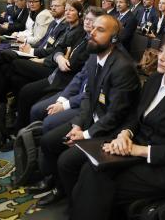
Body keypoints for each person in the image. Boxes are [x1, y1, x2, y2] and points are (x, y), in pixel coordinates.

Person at [65, 32, 165, 219]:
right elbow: (136, 115)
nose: (162, 58)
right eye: (161, 51)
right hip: (135, 149)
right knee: (90, 170)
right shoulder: (155, 79)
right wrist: (125, 134)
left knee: (99, 183)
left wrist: (139, 150)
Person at [27, 14, 140, 207]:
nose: (91, 33)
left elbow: (116, 115)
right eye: (92, 28)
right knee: (48, 141)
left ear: (113, 39)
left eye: (100, 30)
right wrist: (78, 124)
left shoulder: (123, 67)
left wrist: (86, 134)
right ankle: (59, 187)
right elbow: (89, 97)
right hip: (93, 120)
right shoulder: (94, 57)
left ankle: (76, 204)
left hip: (112, 130)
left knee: (65, 160)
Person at [11, 0, 88, 131]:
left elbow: (70, 63)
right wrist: (59, 57)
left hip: (58, 75)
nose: (68, 12)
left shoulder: (80, 34)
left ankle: (21, 129)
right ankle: (15, 119)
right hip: (55, 71)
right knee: (17, 79)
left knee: (14, 63)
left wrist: (38, 57)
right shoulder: (66, 27)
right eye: (67, 10)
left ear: (80, 13)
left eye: (71, 10)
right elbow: (57, 48)